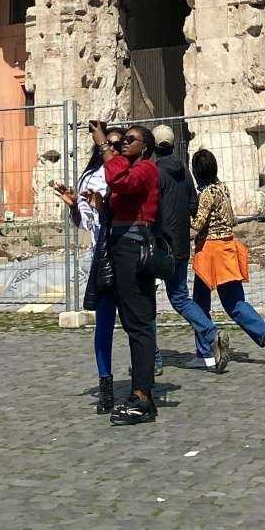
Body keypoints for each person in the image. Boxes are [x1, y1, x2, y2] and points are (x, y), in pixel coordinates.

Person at [190, 148, 265, 363]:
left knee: (200, 303)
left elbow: (197, 225)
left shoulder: (206, 194)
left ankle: (205, 351)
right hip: (228, 246)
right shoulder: (223, 188)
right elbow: (231, 218)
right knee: (235, 301)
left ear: (196, 172)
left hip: (209, 252)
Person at [55, 124, 123, 412]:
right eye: (109, 144)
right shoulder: (89, 177)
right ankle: (105, 385)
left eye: (119, 144)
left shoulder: (129, 173)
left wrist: (105, 206)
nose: (113, 148)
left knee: (138, 322)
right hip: (104, 255)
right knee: (104, 324)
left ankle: (144, 377)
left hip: (131, 254)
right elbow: (85, 222)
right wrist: (74, 206)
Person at [99, 121, 161, 425]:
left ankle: (142, 396)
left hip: (134, 247)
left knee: (138, 322)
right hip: (123, 245)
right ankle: (141, 390)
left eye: (130, 139)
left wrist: (104, 147)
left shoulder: (147, 169)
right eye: (121, 139)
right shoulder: (131, 167)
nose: (123, 143)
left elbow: (121, 182)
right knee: (134, 321)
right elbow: (116, 190)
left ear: (145, 147)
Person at [152, 123, 226, 374]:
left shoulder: (153, 173)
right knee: (181, 296)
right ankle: (210, 333)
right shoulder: (184, 172)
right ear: (173, 145)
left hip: (159, 244)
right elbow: (194, 204)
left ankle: (154, 358)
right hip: (181, 243)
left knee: (149, 301)